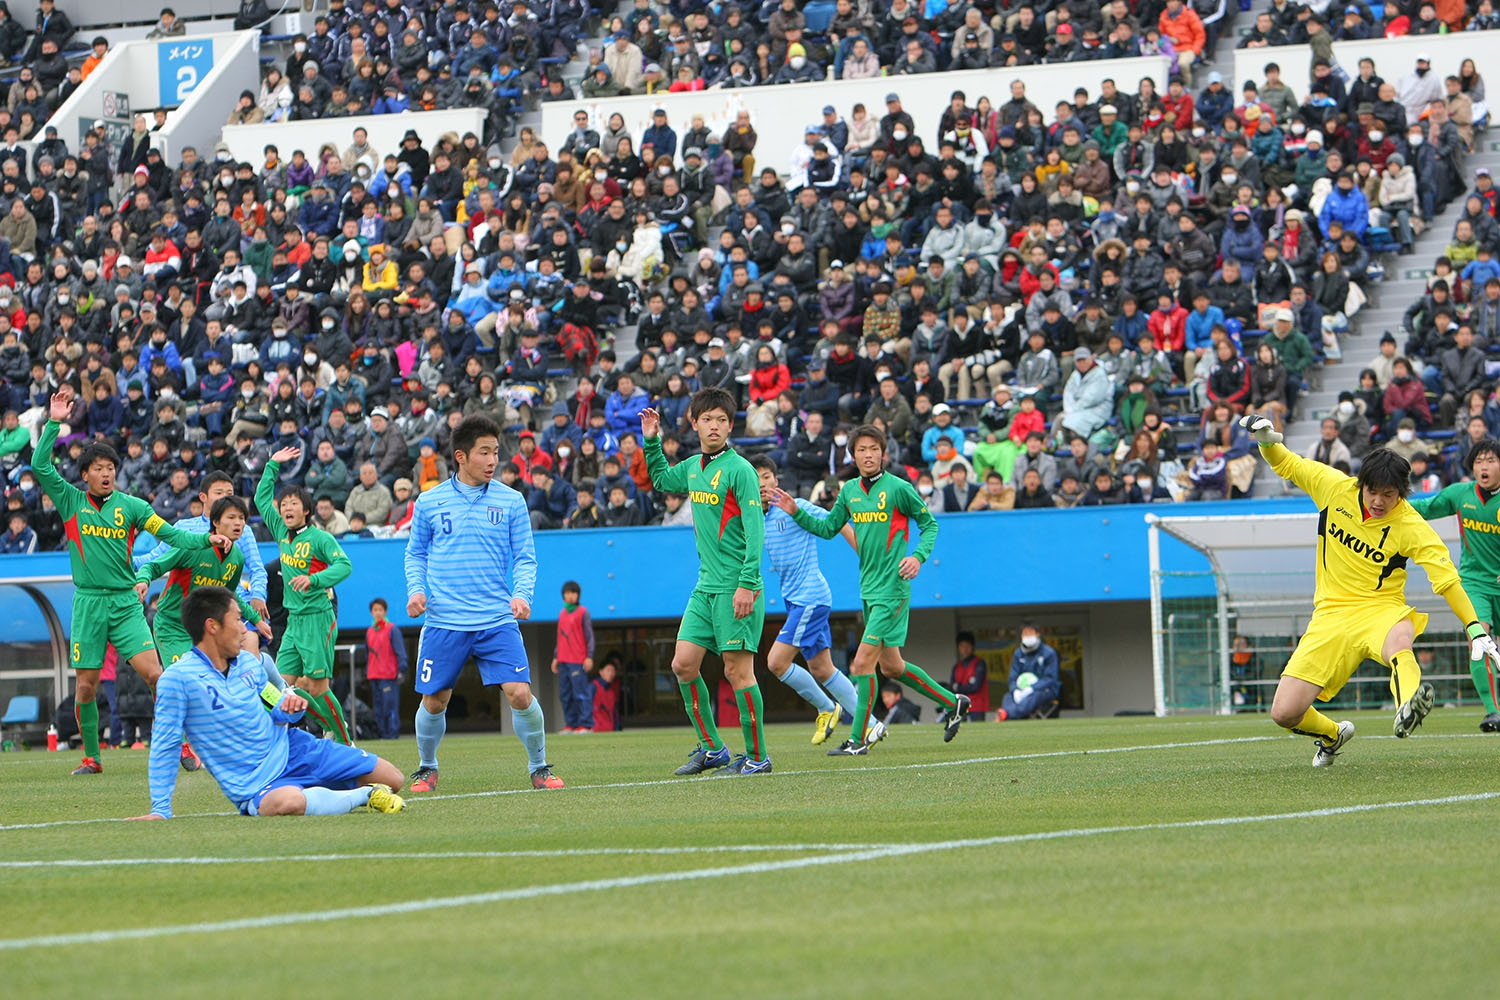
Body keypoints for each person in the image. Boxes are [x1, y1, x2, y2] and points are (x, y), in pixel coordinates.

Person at [1239, 414, 1499, 765]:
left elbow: (1447, 579)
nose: (1378, 501)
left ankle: (1409, 703)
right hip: (1330, 615)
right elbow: (1287, 463)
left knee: (1400, 640)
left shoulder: (1410, 523)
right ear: (1361, 483)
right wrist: (1267, 440)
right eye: (1372, 491)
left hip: (1381, 609)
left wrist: (1473, 627)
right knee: (1284, 712)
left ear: (1401, 495)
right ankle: (1333, 735)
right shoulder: (1334, 487)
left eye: (1388, 495)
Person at [33, 387, 227, 776]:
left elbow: (170, 534)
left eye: (110, 468)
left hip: (125, 603)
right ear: (85, 474)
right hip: (88, 603)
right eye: (98, 468)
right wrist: (54, 422)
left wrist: (205, 537)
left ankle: (182, 745)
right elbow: (41, 466)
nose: (106, 474)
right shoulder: (71, 501)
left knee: (157, 675)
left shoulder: (133, 507)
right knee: (85, 687)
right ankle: (92, 758)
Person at [770, 424, 971, 755]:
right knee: (892, 667)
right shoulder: (848, 491)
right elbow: (828, 528)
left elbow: (929, 525)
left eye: (873, 449)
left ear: (883, 453)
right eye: (861, 449)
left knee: (862, 664)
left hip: (893, 590)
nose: (867, 454)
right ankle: (954, 702)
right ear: (853, 455)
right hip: (869, 590)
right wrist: (796, 511)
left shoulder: (898, 488)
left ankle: (860, 737)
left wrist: (918, 557)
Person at [131, 586, 405, 819]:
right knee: (288, 803)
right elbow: (166, 745)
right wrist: (160, 809)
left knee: (394, 779)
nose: (244, 629)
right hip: (255, 782)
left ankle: (329, 791)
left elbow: (274, 707)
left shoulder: (250, 664)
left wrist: (289, 708)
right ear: (212, 626)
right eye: (238, 620)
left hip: (294, 748)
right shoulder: (177, 679)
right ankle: (365, 795)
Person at [403, 415, 563, 792]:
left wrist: (522, 595)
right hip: (444, 620)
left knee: (520, 693)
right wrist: (416, 590)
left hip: (496, 619)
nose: (493, 460)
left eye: (496, 452)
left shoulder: (511, 501)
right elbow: (415, 555)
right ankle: (427, 767)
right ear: (461, 456)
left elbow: (525, 556)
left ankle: (539, 767)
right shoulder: (429, 501)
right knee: (435, 701)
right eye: (485, 452)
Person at [641, 389, 773, 776]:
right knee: (683, 664)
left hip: (738, 585)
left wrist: (748, 584)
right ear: (694, 422)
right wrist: (651, 439)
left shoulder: (741, 471)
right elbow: (663, 479)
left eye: (721, 420)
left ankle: (757, 757)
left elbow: (756, 532)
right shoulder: (695, 466)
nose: (713, 426)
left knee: (737, 672)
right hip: (705, 587)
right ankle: (713, 748)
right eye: (706, 419)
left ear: (730, 426)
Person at [751, 455, 865, 746]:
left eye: (766, 477)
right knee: (822, 668)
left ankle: (827, 708)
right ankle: (871, 725)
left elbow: (836, 522)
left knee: (775, 662)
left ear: (776, 480)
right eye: (756, 477)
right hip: (794, 599)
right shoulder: (754, 517)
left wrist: (864, 557)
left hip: (810, 597)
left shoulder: (796, 506)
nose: (762, 483)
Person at [255, 445, 354, 744]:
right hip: (293, 622)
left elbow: (345, 566)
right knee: (281, 688)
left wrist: (314, 580)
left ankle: (344, 740)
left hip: (317, 620)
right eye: (284, 503)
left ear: (306, 510)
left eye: (294, 503)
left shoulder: (320, 538)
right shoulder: (282, 533)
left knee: (317, 687)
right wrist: (272, 463)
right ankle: (320, 729)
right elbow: (261, 499)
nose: (286, 507)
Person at [1408, 438, 1500, 733]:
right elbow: (1424, 507)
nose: (1483, 467)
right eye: (1478, 462)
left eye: (1490, 460)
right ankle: (1492, 712)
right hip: (1474, 582)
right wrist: (1389, 499)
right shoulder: (1460, 494)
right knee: (1478, 641)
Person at [133, 494, 273, 665]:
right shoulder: (192, 547)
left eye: (242, 518)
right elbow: (152, 566)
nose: (238, 522)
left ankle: (276, 682)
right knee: (185, 680)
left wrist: (256, 620)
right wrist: (143, 580)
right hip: (174, 627)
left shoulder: (237, 558)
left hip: (206, 631)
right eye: (231, 517)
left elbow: (229, 596)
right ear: (215, 522)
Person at [136, 470, 269, 632]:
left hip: (230, 607)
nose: (225, 498)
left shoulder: (243, 530)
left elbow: (256, 570)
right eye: (219, 493)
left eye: (230, 493)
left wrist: (258, 595)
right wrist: (121, 561)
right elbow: (155, 559)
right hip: (185, 612)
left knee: (248, 643)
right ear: (203, 497)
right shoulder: (184, 528)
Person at [552, 579, 595, 733]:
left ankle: (586, 724)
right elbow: (560, 636)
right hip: (563, 659)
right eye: (568, 593)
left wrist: (589, 656)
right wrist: (556, 657)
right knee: (565, 694)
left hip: (578, 660)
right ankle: (571, 724)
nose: (571, 596)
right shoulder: (562, 614)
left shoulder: (583, 612)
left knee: (581, 693)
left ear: (578, 596)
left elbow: (589, 636)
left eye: (574, 593)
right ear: (563, 595)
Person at [996, 622, 1061, 721]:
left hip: (1045, 690)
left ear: (1037, 634)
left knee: (1034, 697)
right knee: (1008, 697)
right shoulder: (1018, 654)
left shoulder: (1049, 653)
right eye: (1025, 633)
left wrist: (1032, 688)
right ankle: (1007, 714)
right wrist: (1015, 690)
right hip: (1021, 688)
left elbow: (1050, 678)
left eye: (1030, 633)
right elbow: (1013, 677)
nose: (1027, 636)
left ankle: (1007, 715)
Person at [364, 597, 407, 740]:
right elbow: (367, 654)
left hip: (389, 675)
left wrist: (402, 669)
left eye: (380, 610)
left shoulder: (392, 629)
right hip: (374, 675)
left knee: (390, 707)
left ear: (385, 611)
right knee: (378, 709)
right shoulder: (369, 631)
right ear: (371, 612)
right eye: (375, 610)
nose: (378, 613)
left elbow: (400, 651)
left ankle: (392, 735)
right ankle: (382, 735)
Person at [948, 631, 989, 721]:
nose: (965, 649)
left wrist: (958, 687)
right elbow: (952, 687)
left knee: (978, 732)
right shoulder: (957, 667)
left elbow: (975, 687)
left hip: (977, 707)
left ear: (972, 646)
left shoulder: (979, 663)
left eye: (967, 646)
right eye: (962, 646)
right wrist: (961, 687)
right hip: (960, 706)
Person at [591, 655, 622, 733]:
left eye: (613, 671)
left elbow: (615, 713)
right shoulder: (593, 687)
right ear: (600, 672)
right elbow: (585, 708)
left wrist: (617, 729)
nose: (611, 674)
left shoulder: (612, 691)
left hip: (610, 730)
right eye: (608, 670)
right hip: (595, 730)